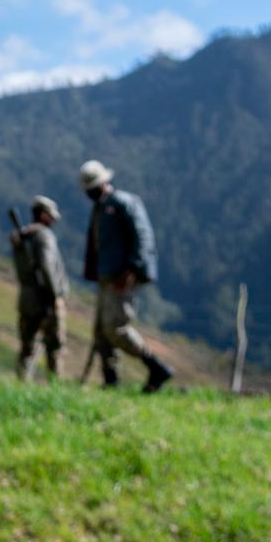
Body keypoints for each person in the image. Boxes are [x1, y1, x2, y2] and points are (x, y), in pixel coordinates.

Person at [79, 159, 173, 392]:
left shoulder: (123, 202)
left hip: (122, 275)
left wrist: (132, 269)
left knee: (115, 327)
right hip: (106, 274)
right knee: (101, 331)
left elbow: (142, 236)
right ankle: (110, 381)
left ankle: (156, 366)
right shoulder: (100, 207)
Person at [9, 195, 68, 381]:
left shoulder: (21, 237)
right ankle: (55, 385)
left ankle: (22, 383)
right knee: (54, 346)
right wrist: (54, 295)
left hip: (26, 299)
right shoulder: (44, 235)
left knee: (27, 347)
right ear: (43, 215)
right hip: (45, 298)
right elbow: (47, 266)